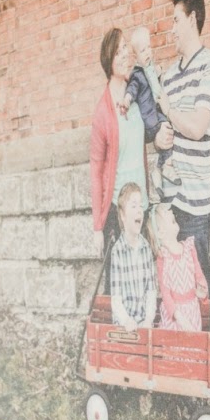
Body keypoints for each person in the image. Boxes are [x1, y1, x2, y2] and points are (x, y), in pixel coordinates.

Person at [154, 0, 210, 312]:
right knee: (172, 291)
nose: (171, 29)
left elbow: (196, 127)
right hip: (170, 206)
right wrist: (159, 138)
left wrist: (169, 111)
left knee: (200, 293)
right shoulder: (168, 77)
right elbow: (163, 128)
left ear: (192, 19)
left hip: (195, 207)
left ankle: (205, 343)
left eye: (175, 20)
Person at [89, 27, 149, 279]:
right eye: (118, 51)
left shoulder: (137, 93)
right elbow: (96, 173)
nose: (125, 54)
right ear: (108, 62)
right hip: (117, 213)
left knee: (142, 284)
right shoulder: (102, 113)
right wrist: (98, 227)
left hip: (142, 208)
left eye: (126, 47)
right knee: (117, 288)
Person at [122, 25, 180, 190]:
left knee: (169, 131)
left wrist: (158, 72)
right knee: (168, 129)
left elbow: (154, 81)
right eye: (142, 51)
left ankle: (158, 170)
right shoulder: (137, 74)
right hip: (150, 119)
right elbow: (132, 88)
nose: (147, 52)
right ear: (136, 56)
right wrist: (127, 99)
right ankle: (165, 166)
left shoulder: (149, 68)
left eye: (148, 48)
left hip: (156, 113)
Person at [147, 202, 208, 332]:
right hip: (174, 316)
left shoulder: (189, 248)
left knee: (193, 340)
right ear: (160, 233)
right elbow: (165, 293)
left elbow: (199, 275)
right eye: (165, 213)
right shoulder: (163, 257)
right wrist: (178, 316)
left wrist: (202, 289)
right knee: (174, 341)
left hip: (192, 310)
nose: (170, 212)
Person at [109, 183, 157, 332]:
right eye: (133, 206)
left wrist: (148, 319)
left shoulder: (146, 248)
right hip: (124, 325)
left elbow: (151, 291)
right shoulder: (118, 251)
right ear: (123, 215)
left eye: (141, 206)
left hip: (143, 322)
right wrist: (126, 321)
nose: (139, 210)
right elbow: (116, 298)